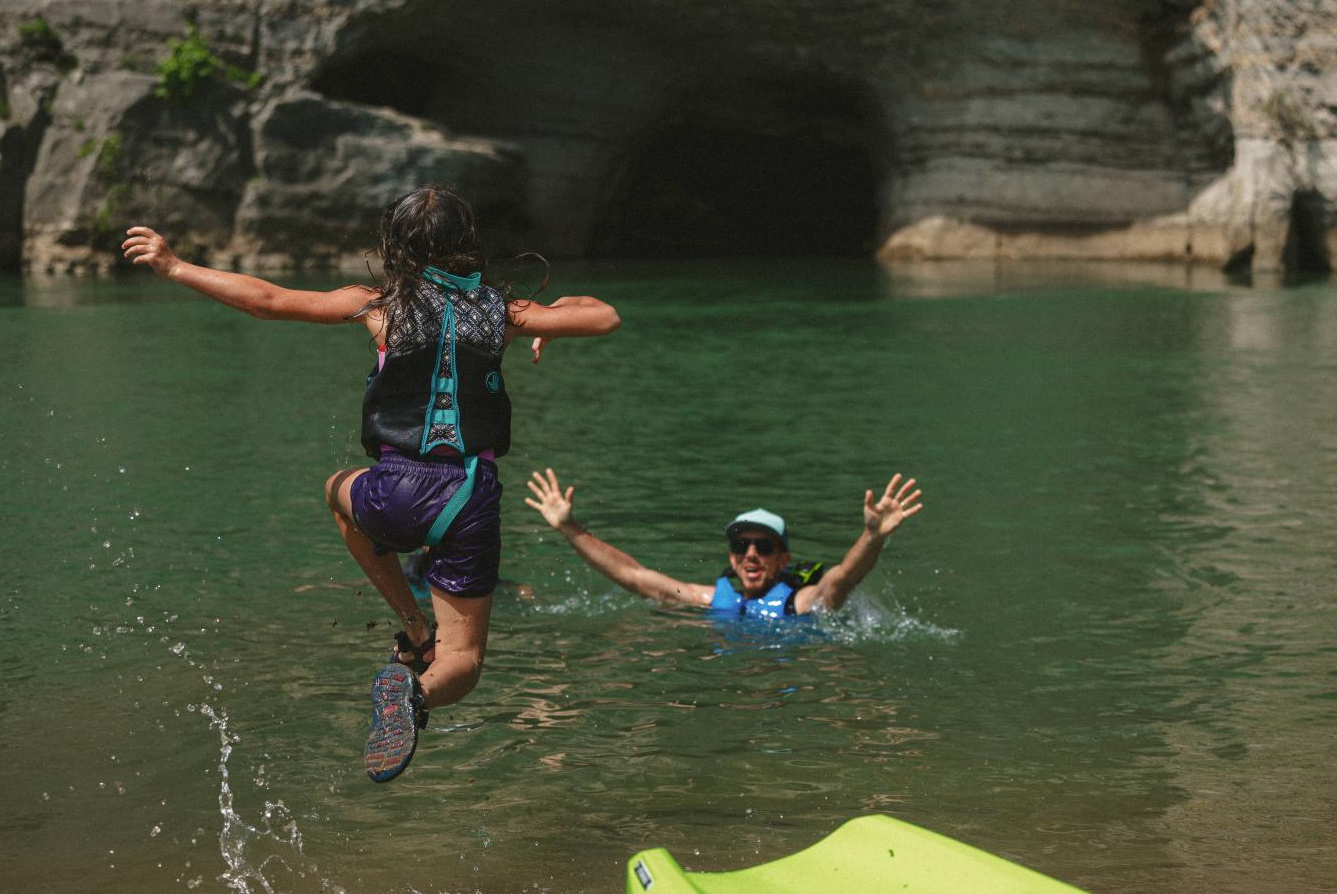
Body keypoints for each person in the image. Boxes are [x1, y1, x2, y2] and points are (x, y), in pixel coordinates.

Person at [122, 186, 620, 783]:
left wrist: (176, 266)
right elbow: (606, 316)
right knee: (464, 662)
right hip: (467, 495)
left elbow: (268, 300)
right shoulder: (503, 312)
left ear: (398, 246)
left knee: (339, 489)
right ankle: (414, 694)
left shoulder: (378, 306)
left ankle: (413, 626)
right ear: (467, 244)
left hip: (394, 488)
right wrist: (559, 309)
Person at [523, 469, 923, 618]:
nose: (750, 553)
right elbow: (635, 576)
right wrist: (569, 527)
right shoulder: (709, 599)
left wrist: (872, 536)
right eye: (741, 545)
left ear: (783, 559)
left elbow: (842, 577)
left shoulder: (800, 603)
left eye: (763, 547)